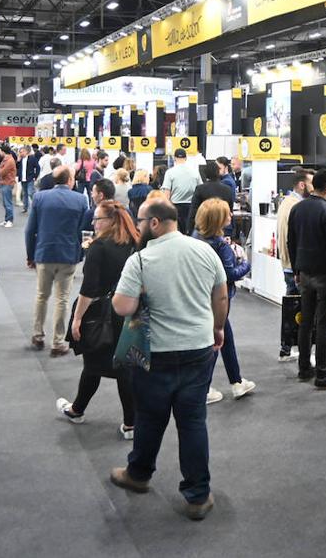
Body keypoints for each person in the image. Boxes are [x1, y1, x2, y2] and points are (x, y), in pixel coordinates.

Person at [109, 200, 228, 521]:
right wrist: (218, 328)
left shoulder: (141, 260)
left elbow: (122, 307)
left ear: (156, 223)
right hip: (199, 349)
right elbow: (221, 295)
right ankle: (198, 495)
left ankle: (138, 474)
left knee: (150, 417)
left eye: (142, 221)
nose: (139, 226)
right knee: (192, 422)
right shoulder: (205, 251)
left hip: (157, 353)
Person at [57, 200, 139, 440]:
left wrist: (77, 318)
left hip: (101, 313)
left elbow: (88, 289)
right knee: (124, 366)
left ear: (109, 221)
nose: (93, 223)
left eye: (97, 219)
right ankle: (129, 424)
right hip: (130, 311)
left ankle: (77, 409)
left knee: (93, 362)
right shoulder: (135, 243)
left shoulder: (99, 247)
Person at [287, 169, 326, 390]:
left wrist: (296, 269)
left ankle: (304, 368)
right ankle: (322, 373)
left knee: (306, 322)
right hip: (325, 276)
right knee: (323, 326)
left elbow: (290, 242)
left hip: (304, 274)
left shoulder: (298, 208)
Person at [193, 198, 255, 404]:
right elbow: (230, 274)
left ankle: (236, 382)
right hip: (220, 298)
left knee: (224, 339)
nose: (231, 217)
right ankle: (204, 388)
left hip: (201, 295)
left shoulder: (196, 237)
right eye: (227, 214)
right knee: (217, 341)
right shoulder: (220, 246)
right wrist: (246, 264)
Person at [25, 166, 88, 355]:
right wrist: (81, 255)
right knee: (62, 299)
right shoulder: (80, 200)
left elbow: (30, 230)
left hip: (44, 252)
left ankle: (37, 335)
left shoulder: (40, 197)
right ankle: (58, 342)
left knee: (41, 295)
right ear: (70, 180)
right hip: (68, 255)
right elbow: (82, 231)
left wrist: (30, 255)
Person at [275, 167, 313, 361]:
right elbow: (296, 239)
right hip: (296, 267)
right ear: (301, 184)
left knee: (293, 309)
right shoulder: (296, 207)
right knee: (304, 311)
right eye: (310, 183)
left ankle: (287, 349)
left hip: (289, 264)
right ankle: (303, 354)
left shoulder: (286, 203)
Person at [161, 148, 201, 235]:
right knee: (190, 233)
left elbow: (166, 195)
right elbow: (200, 189)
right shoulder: (195, 172)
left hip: (176, 207)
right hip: (192, 207)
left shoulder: (170, 172)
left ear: (174, 158)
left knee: (177, 234)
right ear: (186, 158)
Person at [188, 161, 233, 233]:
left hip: (204, 228)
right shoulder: (227, 189)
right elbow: (230, 211)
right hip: (222, 227)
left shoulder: (200, 189)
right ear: (218, 172)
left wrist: (190, 230)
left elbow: (194, 211)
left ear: (205, 174)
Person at [0, 147, 16, 227]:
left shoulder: (9, 160)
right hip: (4, 182)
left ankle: (10, 220)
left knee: (8, 203)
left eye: (0, 150)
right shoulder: (6, 159)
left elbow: (1, 172)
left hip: (7, 182)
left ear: (3, 151)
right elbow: (0, 170)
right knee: (5, 203)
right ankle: (7, 219)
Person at [17, 146, 40, 214]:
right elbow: (17, 167)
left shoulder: (32, 158)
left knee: (30, 193)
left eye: (22, 152)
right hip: (23, 178)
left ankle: (36, 206)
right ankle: (25, 208)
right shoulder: (20, 160)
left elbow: (38, 167)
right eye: (20, 152)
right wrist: (18, 161)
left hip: (30, 178)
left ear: (26, 152)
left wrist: (35, 176)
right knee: (25, 193)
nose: (21, 153)